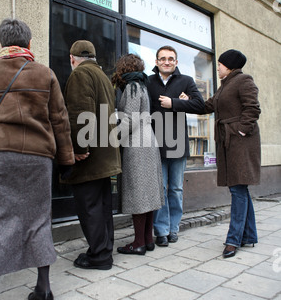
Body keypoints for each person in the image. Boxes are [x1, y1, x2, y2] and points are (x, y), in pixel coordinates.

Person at [0, 18, 75, 300]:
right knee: (39, 219)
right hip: (38, 157)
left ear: (1, 42)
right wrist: (67, 161)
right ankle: (44, 290)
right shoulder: (45, 73)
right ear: (29, 43)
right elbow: (59, 121)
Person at [181, 49, 261, 258]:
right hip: (229, 141)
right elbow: (208, 106)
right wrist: (187, 101)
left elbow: (253, 109)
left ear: (230, 65)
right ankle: (249, 235)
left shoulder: (243, 80)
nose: (217, 67)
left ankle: (233, 240)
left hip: (240, 141)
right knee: (239, 188)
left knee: (237, 188)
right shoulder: (225, 85)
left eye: (220, 64)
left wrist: (240, 131)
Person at [63, 40, 121, 270]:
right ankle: (103, 250)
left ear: (72, 58)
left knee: (90, 207)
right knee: (103, 207)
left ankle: (99, 256)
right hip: (105, 154)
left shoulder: (80, 74)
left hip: (90, 156)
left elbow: (80, 113)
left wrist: (79, 148)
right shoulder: (104, 77)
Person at [147, 45, 205, 247]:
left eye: (170, 59)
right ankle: (161, 230)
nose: (166, 62)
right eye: (162, 58)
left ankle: (173, 228)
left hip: (178, 143)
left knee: (177, 189)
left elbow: (200, 105)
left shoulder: (186, 81)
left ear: (176, 62)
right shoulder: (149, 82)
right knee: (160, 188)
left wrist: (175, 103)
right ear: (156, 62)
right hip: (156, 144)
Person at [112, 54, 164, 255]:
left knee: (139, 193)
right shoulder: (141, 85)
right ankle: (148, 240)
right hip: (147, 141)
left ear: (123, 68)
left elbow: (130, 120)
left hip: (137, 144)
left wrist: (112, 139)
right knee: (148, 194)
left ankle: (138, 243)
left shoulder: (132, 87)